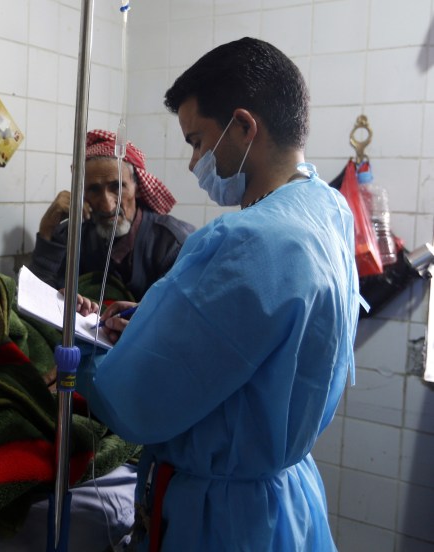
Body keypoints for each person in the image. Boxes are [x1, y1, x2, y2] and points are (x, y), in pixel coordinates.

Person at [79, 37, 358, 551]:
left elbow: (137, 400)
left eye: (198, 141)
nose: (193, 163)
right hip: (287, 499)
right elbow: (264, 340)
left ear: (245, 127)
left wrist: (85, 364)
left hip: (224, 517)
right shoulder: (326, 208)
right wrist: (149, 319)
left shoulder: (248, 240)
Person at [27, 130, 195, 301]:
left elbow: (179, 311)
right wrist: (47, 229)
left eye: (117, 187)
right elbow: (35, 299)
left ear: (137, 188)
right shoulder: (72, 236)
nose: (107, 206)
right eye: (94, 190)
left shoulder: (173, 243)